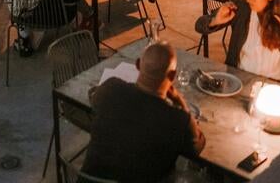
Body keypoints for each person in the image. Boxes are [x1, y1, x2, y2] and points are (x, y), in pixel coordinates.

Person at [81, 42, 205, 183]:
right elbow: (197, 148)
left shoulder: (110, 88)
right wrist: (179, 101)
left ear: (138, 65)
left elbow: (95, 101)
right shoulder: (178, 120)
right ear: (172, 76)